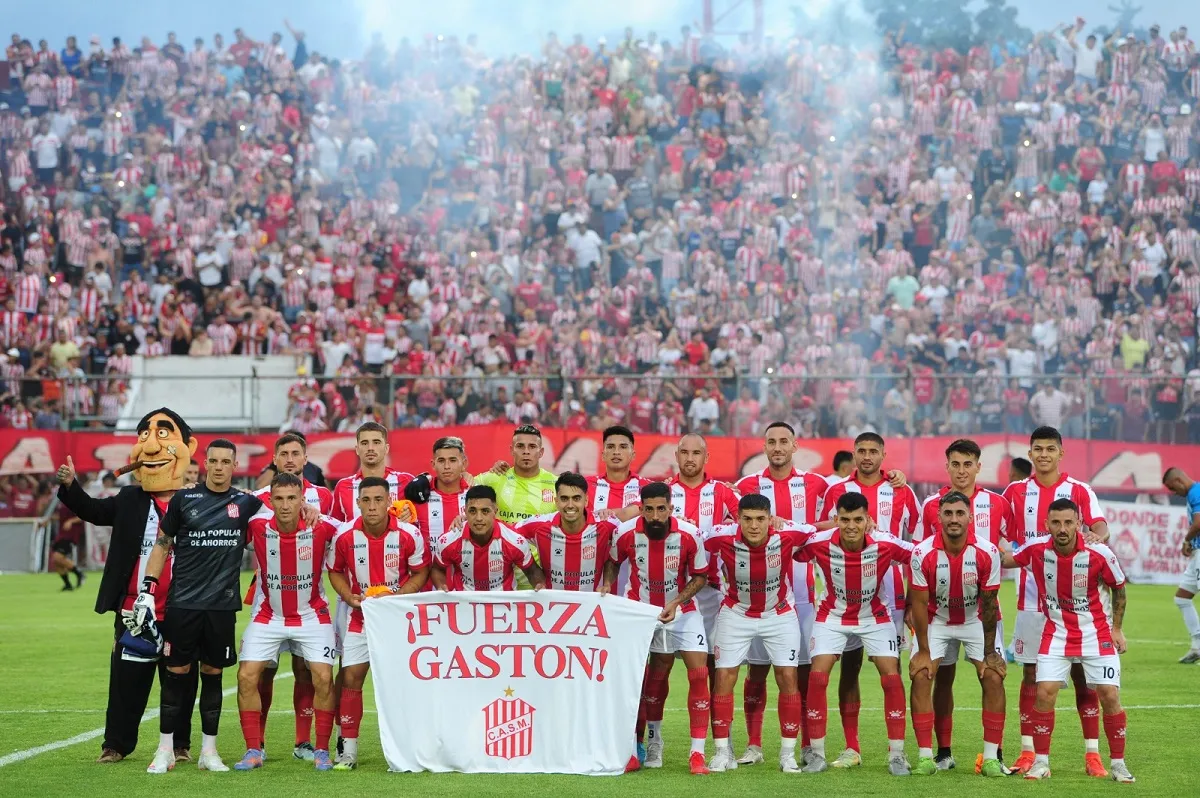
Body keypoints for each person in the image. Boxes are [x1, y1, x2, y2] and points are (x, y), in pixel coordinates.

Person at [54, 407, 200, 764]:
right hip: (135, 608)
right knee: (125, 680)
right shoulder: (130, 499)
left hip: (183, 607)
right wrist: (71, 485)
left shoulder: (196, 501)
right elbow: (93, 511)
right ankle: (115, 744)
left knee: (181, 681)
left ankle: (179, 744)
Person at [137, 438, 267, 774]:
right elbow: (162, 544)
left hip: (222, 607)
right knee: (175, 674)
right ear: (205, 463)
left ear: (235, 465)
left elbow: (286, 500)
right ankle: (165, 749)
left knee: (213, 675)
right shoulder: (185, 498)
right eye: (214, 461)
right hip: (184, 604)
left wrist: (311, 510)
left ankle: (209, 752)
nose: (220, 467)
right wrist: (148, 591)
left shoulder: (245, 503)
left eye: (226, 461)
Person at [1001, 499, 1134, 783]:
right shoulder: (1036, 550)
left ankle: (1119, 764)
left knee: (1109, 695)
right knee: (1044, 692)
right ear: (1047, 524)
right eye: (1056, 522)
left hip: (1096, 634)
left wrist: (1118, 629)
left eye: (1068, 522)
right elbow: (1005, 559)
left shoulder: (1099, 553)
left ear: (1079, 522)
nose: (1062, 529)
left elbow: (1119, 589)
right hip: (1056, 633)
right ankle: (1041, 762)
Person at [1002, 426, 1110, 777]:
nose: (1044, 454)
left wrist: (1095, 536)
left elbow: (1100, 526)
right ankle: (1028, 751)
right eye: (1038, 449)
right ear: (1030, 454)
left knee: (1083, 677)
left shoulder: (1079, 490)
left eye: (1051, 448)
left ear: (1061, 453)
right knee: (1031, 676)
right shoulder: (1016, 492)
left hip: (1075, 604)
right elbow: (997, 533)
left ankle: (1092, 754)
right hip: (1031, 602)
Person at [818, 432, 919, 770]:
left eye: (873, 451)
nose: (866, 457)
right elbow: (823, 528)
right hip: (845, 588)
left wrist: (909, 602)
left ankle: (899, 750)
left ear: (883, 454)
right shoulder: (836, 490)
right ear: (853, 453)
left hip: (889, 592)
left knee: (891, 670)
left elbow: (914, 544)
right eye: (861, 451)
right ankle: (851, 747)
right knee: (849, 667)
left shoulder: (901, 489)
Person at [732, 422, 829, 767]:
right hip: (757, 596)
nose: (777, 447)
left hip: (802, 597)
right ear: (764, 446)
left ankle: (803, 745)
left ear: (795, 445)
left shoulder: (817, 484)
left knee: (799, 675)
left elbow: (836, 522)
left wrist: (794, 527)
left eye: (783, 441)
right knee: (756, 672)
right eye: (771, 442)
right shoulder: (745, 486)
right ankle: (754, 746)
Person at [914, 439, 1014, 772]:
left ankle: (994, 754)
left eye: (967, 464)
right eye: (955, 464)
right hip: (938, 611)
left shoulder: (997, 504)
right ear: (947, 467)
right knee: (940, 677)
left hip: (981, 612)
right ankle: (941, 752)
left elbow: (1009, 549)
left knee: (993, 674)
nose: (961, 470)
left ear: (977, 466)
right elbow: (919, 556)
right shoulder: (930, 504)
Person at [801, 492, 915, 775]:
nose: (851, 526)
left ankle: (897, 755)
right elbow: (788, 543)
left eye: (858, 520)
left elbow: (920, 557)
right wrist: (820, 525)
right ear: (836, 519)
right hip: (832, 615)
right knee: (817, 676)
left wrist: (913, 602)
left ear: (868, 520)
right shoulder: (819, 543)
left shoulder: (886, 543)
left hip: (874, 616)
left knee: (891, 676)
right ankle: (816, 754)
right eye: (845, 519)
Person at [234, 473, 339, 772]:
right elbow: (225, 510)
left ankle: (321, 750)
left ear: (302, 499)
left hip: (312, 615)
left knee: (322, 677)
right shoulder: (257, 526)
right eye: (278, 499)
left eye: (292, 498)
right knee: (246, 677)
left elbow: (355, 531)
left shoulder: (322, 526)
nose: (285, 505)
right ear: (271, 500)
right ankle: (254, 750)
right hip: (269, 615)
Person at [604, 481, 711, 775]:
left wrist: (676, 601)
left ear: (670, 508)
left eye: (660, 509)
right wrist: (605, 584)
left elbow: (700, 576)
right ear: (641, 508)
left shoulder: (690, 535)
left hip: (683, 613)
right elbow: (613, 562)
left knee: (699, 673)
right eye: (648, 509)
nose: (654, 516)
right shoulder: (626, 533)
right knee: (649, 678)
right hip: (641, 613)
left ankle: (697, 754)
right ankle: (652, 741)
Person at [702, 493, 814, 774]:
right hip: (735, 613)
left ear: (770, 519)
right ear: (737, 518)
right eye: (748, 519)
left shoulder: (788, 533)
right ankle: (721, 752)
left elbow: (820, 530)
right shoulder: (720, 537)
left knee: (788, 676)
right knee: (724, 676)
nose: (754, 526)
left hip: (779, 614)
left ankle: (787, 754)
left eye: (761, 519)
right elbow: (692, 536)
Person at [327, 476, 430, 770]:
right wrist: (349, 596)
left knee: (402, 682)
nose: (372, 506)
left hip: (397, 620)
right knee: (350, 679)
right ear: (358, 503)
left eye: (378, 500)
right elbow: (334, 571)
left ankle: (407, 749)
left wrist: (397, 598)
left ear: (388, 501)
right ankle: (348, 750)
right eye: (366, 500)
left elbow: (420, 571)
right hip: (360, 619)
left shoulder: (409, 534)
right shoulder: (345, 536)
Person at [666, 433, 739, 738]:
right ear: (677, 454)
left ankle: (723, 741)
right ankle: (648, 740)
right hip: (670, 594)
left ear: (706, 458)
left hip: (712, 594)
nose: (690, 458)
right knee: (660, 666)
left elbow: (750, 522)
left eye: (697, 453)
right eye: (685, 452)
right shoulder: (663, 494)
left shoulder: (722, 492)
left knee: (715, 670)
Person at [516, 471, 620, 591]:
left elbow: (629, 540)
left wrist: (607, 583)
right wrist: (532, 570)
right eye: (564, 499)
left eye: (576, 498)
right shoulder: (539, 526)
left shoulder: (607, 525)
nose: (570, 505)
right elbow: (505, 534)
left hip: (590, 605)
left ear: (586, 500)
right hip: (551, 605)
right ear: (556, 501)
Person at [432, 485, 545, 590]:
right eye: (472, 511)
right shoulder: (449, 540)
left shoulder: (514, 541)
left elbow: (532, 571)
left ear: (495, 511)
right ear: (465, 511)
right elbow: (437, 569)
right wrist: (441, 587)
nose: (479, 518)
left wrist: (540, 586)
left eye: (485, 511)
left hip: (503, 606)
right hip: (464, 605)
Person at [473, 424, 558, 525]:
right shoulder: (495, 477)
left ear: (541, 452)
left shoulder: (556, 484)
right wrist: (460, 517)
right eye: (520, 446)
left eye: (532, 446)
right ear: (512, 450)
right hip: (503, 541)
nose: (526, 452)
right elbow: (460, 483)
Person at [330, 422, 412, 521]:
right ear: (357, 449)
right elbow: (335, 529)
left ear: (386, 448)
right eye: (364, 443)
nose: (370, 448)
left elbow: (421, 522)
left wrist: (412, 517)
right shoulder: (343, 486)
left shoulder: (407, 481)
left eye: (376, 442)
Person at [409, 436, 472, 563]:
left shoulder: (475, 496)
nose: (447, 466)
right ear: (433, 464)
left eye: (453, 460)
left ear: (463, 464)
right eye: (441, 460)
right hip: (426, 579)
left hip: (464, 580)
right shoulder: (418, 496)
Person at [1161, 467, 1200, 663]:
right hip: (1197, 553)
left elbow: (1199, 522)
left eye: (1172, 488)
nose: (1174, 493)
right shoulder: (1194, 493)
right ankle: (1197, 645)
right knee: (1182, 598)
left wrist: (1186, 540)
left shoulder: (1196, 492)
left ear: (1178, 480)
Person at [586, 425, 644, 523]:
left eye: (623, 447)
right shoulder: (585, 485)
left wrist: (607, 514)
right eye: (610, 447)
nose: (616, 452)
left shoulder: (646, 487)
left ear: (633, 455)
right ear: (603, 455)